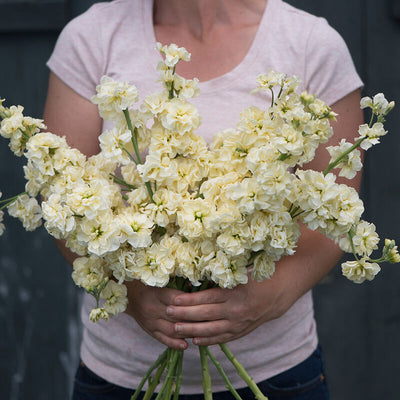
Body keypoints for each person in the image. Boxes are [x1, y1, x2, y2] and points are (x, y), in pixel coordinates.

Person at [43, 0, 364, 398]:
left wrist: (262, 301)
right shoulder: (91, 37)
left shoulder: (310, 44)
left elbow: (336, 213)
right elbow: (61, 200)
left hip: (273, 375)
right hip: (121, 378)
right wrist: (131, 295)